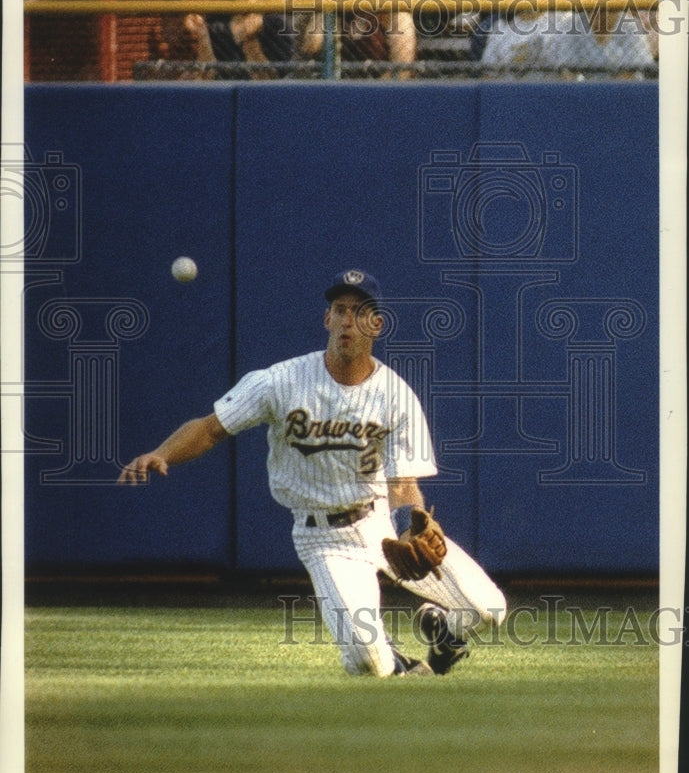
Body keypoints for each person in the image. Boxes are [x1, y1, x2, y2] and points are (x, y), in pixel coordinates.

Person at [118, 269, 507, 678]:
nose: (346, 321)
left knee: (490, 610)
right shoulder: (280, 382)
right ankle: (395, 661)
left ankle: (444, 633)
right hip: (324, 537)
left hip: (378, 521)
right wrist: (163, 453)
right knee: (366, 662)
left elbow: (403, 484)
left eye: (359, 313)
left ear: (376, 325)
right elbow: (211, 427)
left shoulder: (395, 395)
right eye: (339, 311)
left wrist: (408, 529)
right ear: (326, 320)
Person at [560, 0, 656, 77]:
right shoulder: (570, 25)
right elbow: (567, 74)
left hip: (624, 93)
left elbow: (629, 75)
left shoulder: (629, 26)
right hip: (582, 92)